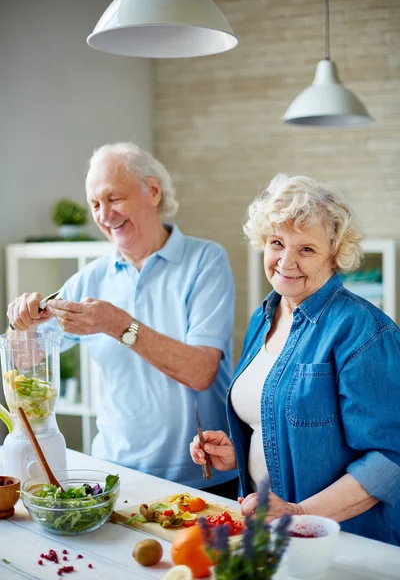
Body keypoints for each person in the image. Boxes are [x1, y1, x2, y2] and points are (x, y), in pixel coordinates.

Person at [7, 142, 238, 496]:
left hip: (202, 477)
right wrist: (20, 324)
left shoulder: (205, 261)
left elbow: (200, 372)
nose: (104, 215)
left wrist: (118, 325)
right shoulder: (91, 278)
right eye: (95, 205)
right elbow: (26, 360)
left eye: (113, 199)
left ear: (153, 191)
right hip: (114, 474)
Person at [190, 174, 400, 545]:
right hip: (265, 533)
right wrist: (237, 454)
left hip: (341, 541)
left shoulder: (364, 331)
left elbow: (389, 459)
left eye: (306, 249)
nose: (286, 262)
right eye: (276, 243)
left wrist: (299, 514)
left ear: (335, 256)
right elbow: (277, 422)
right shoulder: (265, 315)